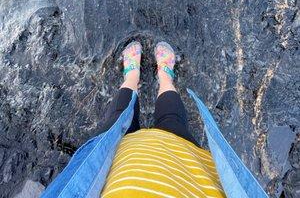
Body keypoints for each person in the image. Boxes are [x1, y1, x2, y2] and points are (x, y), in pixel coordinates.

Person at [42, 41, 268, 198]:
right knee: (173, 122)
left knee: (119, 121)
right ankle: (164, 77)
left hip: (118, 167)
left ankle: (132, 75)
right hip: (182, 169)